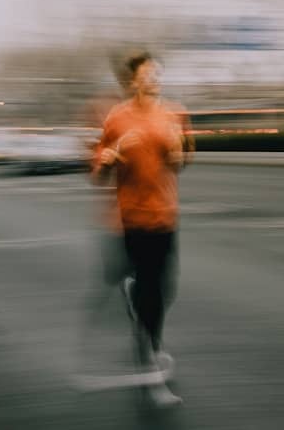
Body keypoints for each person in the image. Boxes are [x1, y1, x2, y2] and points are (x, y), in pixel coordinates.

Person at [92, 51, 194, 406]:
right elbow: (97, 172)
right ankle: (150, 363)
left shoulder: (175, 113)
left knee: (166, 291)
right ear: (133, 80)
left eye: (158, 73)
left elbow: (183, 161)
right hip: (133, 219)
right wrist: (110, 157)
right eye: (148, 73)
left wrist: (179, 154)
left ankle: (138, 304)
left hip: (166, 216)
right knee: (151, 295)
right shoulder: (117, 118)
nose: (155, 79)